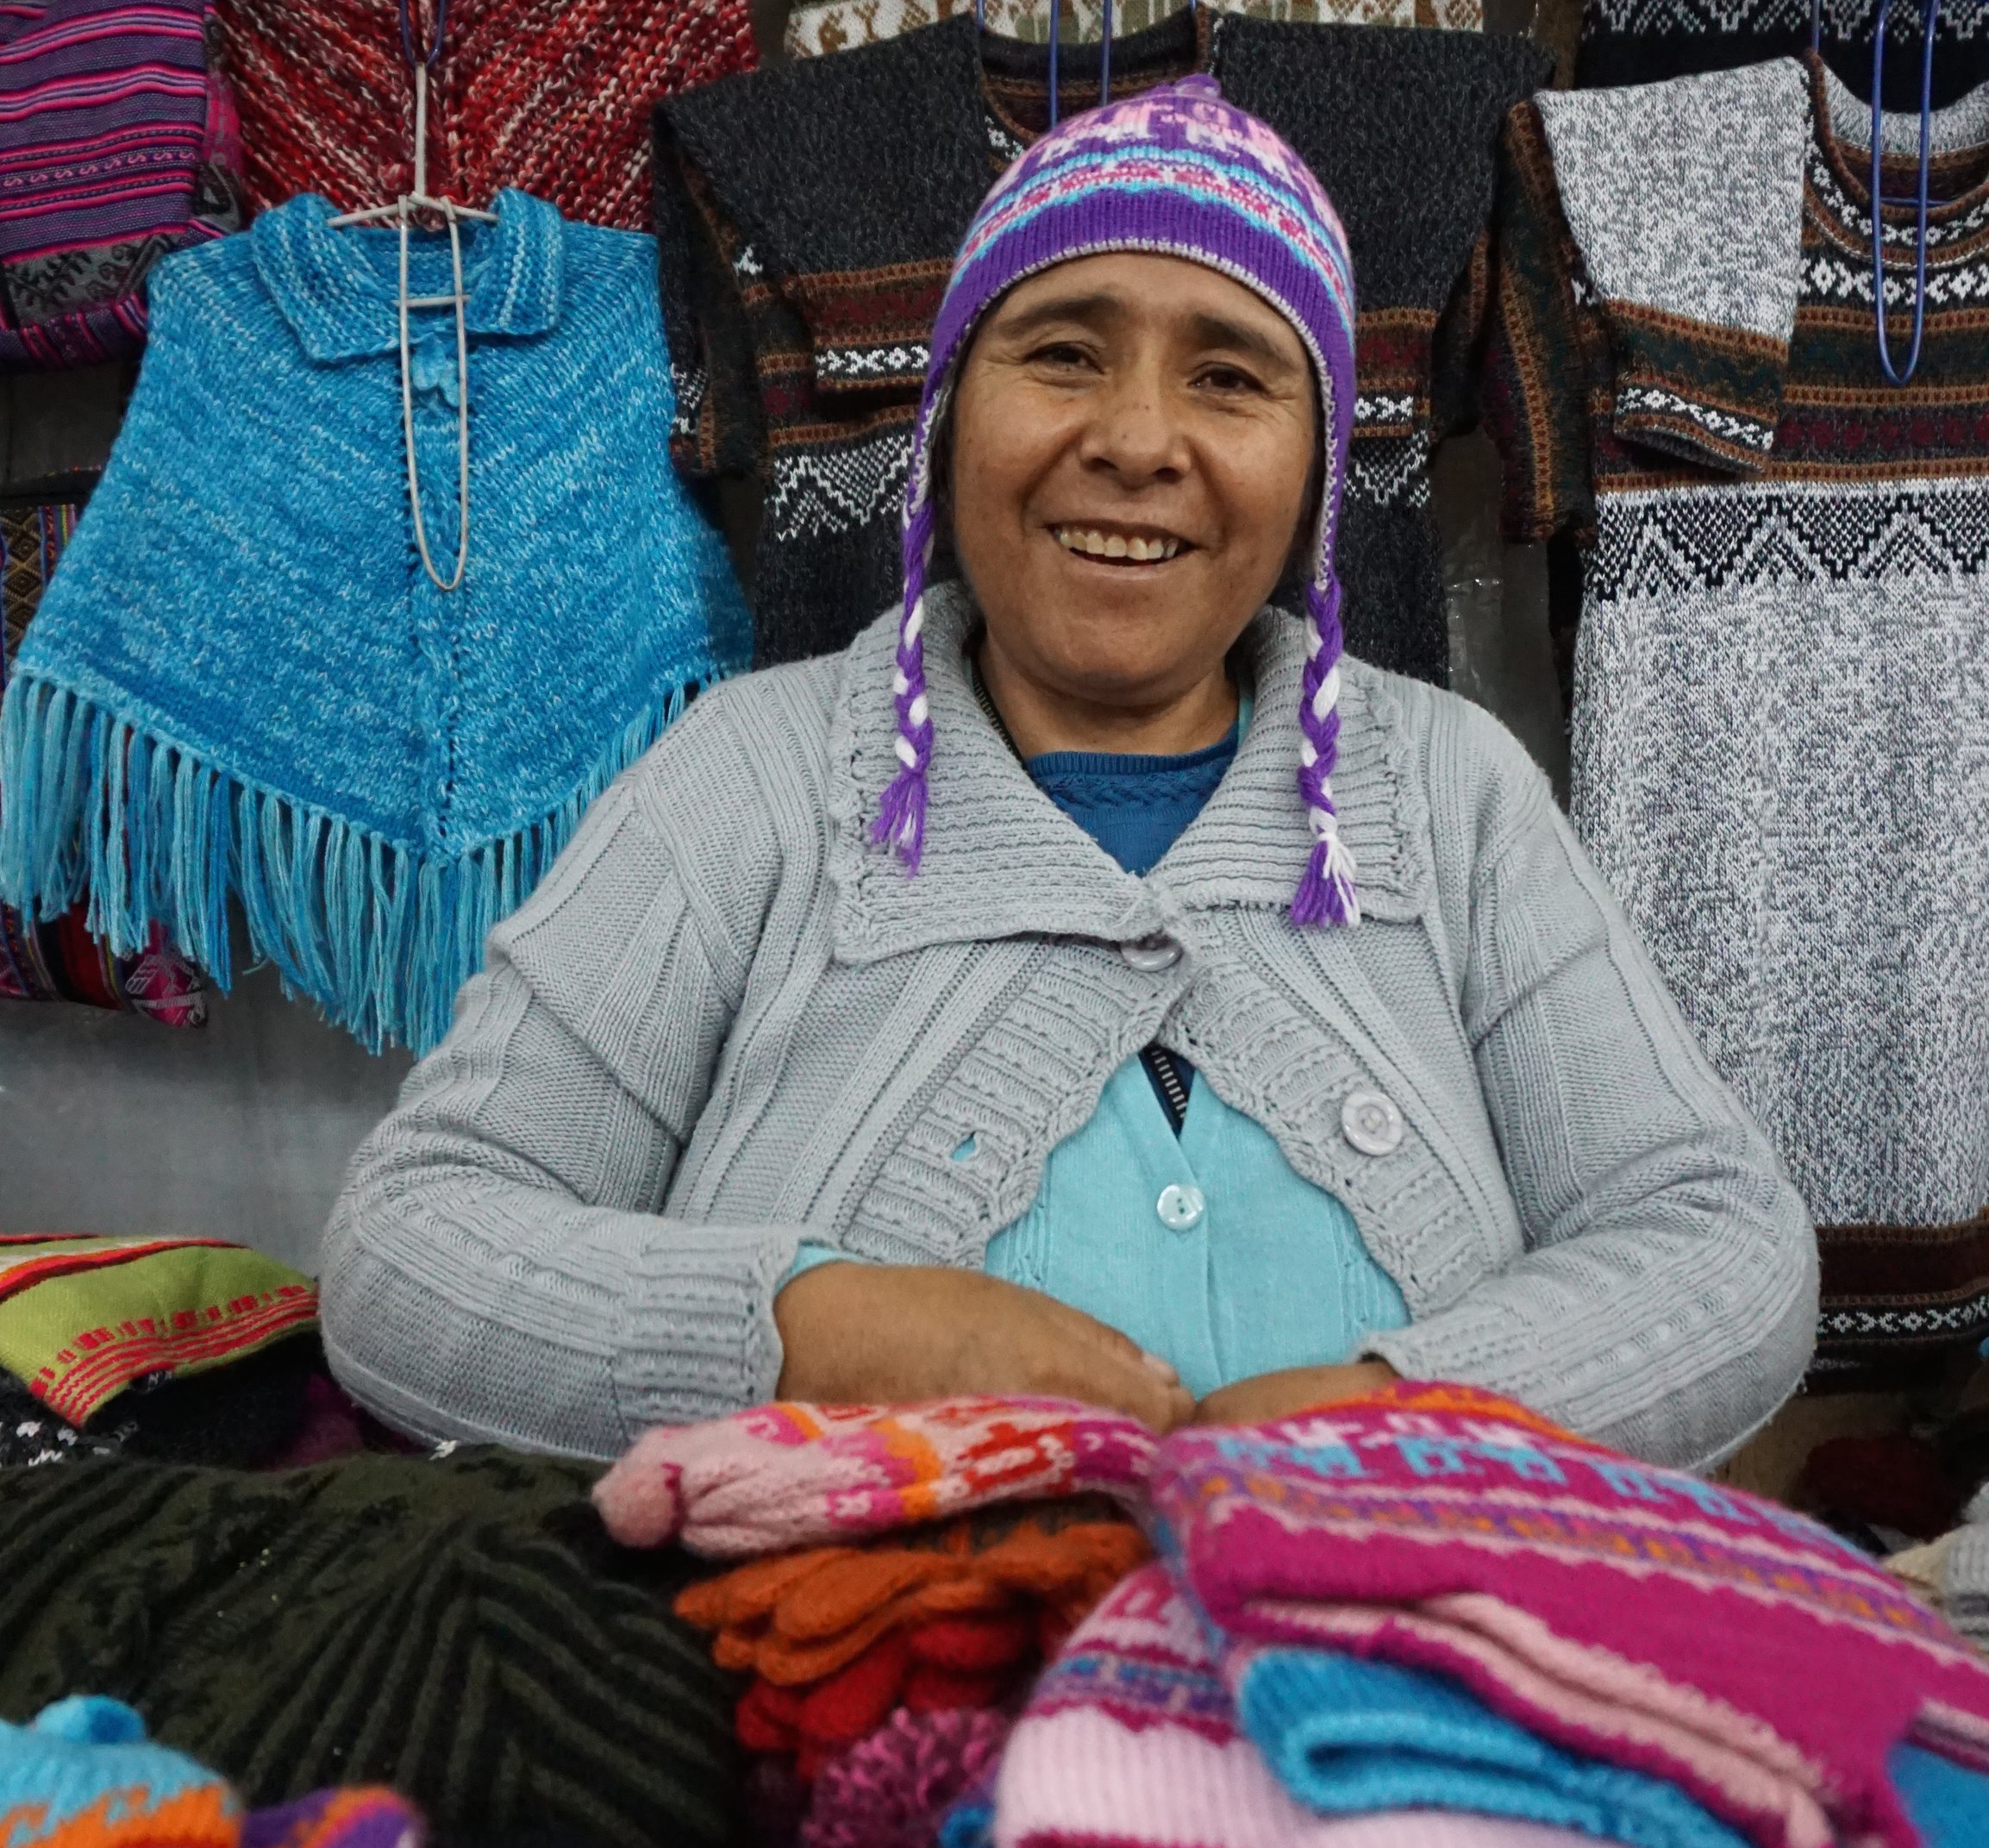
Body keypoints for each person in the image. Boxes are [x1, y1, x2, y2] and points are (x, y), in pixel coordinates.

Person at [321, 81, 1817, 1468]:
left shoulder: (1446, 796)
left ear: (1311, 466)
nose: (1137, 440)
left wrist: (1412, 1418)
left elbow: (1721, 1244)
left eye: (1230, 378)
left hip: (1396, 1709)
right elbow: (411, 1251)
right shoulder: (751, 786)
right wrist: (807, 1334)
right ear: (951, 413)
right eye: (1063, 354)